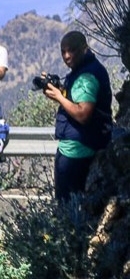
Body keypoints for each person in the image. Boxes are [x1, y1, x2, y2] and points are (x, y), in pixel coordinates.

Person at [42, 31, 113, 204]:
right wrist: (60, 92)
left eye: (71, 50)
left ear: (84, 49)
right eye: (63, 51)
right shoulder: (84, 70)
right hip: (77, 148)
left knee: (69, 207)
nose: (67, 56)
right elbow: (77, 99)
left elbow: (83, 114)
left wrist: (59, 97)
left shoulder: (87, 76)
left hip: (78, 153)